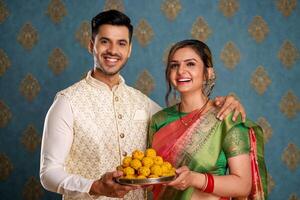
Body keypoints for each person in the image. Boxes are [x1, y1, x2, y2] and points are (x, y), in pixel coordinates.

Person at [40, 10, 247, 200]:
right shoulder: (67, 102)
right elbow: (48, 174)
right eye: (105, 42)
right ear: (91, 45)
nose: (113, 50)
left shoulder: (144, 104)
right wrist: (95, 186)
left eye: (121, 43)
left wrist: (226, 103)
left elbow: (189, 120)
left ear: (129, 49)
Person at [148, 40, 268, 200]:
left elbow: (243, 186)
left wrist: (194, 179)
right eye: (174, 65)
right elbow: (150, 174)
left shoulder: (227, 117)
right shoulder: (159, 120)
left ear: (208, 73)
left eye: (190, 64)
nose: (181, 71)